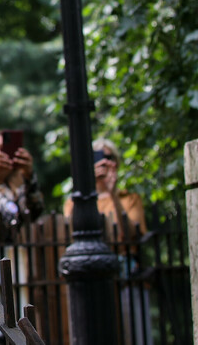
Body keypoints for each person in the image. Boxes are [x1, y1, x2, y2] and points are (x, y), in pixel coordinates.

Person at [63, 138, 150, 344]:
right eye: (96, 158)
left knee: (134, 335)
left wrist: (113, 194)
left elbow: (132, 237)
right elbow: (68, 233)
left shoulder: (130, 199)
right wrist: (85, 184)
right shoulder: (74, 202)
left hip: (127, 278)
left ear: (116, 163)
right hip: (89, 277)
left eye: (108, 157)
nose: (103, 163)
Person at [0, 130, 45, 243]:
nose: (0, 152)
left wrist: (29, 175)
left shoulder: (16, 192)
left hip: (11, 256)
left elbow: (35, 212)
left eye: (5, 148)